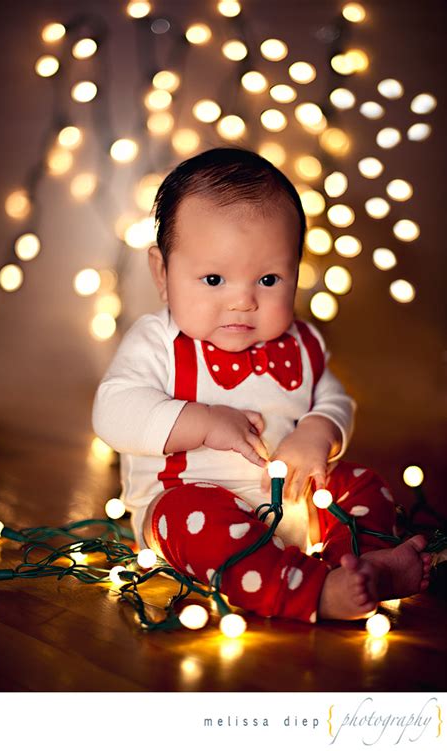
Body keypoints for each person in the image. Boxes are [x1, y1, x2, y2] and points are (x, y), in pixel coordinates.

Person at [93, 147, 431, 623]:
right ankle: (312, 593)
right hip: (193, 512)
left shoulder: (301, 341)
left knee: (358, 484)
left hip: (294, 510)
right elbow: (113, 410)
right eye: (213, 278)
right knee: (188, 516)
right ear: (162, 274)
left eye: (268, 278)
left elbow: (334, 398)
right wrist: (202, 422)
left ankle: (362, 562)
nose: (242, 301)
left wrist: (318, 430)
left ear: (295, 272)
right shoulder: (159, 342)